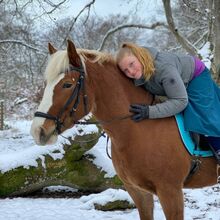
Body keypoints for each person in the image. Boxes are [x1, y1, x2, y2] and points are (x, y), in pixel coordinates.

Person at [115, 42, 220, 164]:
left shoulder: (164, 68)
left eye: (132, 64)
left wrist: (150, 111)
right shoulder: (140, 72)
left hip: (195, 76)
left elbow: (180, 101)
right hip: (177, 83)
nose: (131, 72)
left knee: (203, 118)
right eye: (126, 70)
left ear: (140, 56)